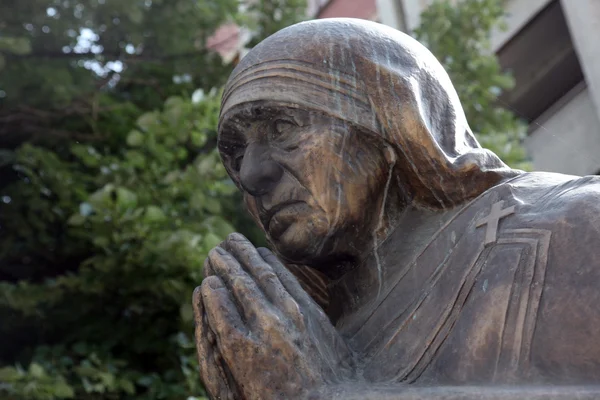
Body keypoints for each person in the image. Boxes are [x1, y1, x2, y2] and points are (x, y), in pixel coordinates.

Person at [193, 18, 600, 400]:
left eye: (282, 128)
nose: (250, 174)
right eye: (236, 154)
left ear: (393, 124)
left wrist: (329, 393)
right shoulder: (291, 339)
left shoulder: (576, 225)